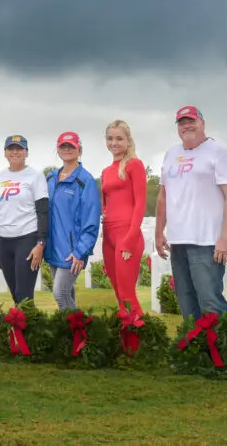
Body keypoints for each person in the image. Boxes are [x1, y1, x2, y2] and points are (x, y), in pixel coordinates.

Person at [155, 106, 227, 320]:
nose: (186, 126)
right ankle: (195, 351)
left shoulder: (219, 152)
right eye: (182, 123)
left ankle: (220, 350)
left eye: (191, 120)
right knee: (186, 302)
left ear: (202, 123)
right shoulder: (171, 153)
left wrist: (226, 237)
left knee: (210, 303)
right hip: (178, 239)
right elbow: (163, 196)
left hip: (207, 241)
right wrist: (159, 232)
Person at [44, 131, 101, 311]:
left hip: (72, 251)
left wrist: (80, 251)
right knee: (67, 295)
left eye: (71, 146)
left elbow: (91, 219)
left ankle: (86, 332)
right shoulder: (50, 178)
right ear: (58, 149)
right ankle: (71, 337)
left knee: (60, 293)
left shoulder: (85, 180)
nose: (67, 149)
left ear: (79, 149)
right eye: (63, 146)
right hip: (53, 248)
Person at [0, 135, 48, 305]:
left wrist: (41, 243)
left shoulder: (35, 176)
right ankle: (22, 329)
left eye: (19, 148)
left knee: (24, 295)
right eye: (11, 148)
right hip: (4, 241)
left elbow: (43, 211)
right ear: (5, 153)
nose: (15, 152)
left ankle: (30, 329)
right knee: (15, 295)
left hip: (27, 238)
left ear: (26, 152)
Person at [100, 120, 147, 315]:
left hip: (127, 235)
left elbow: (140, 204)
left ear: (128, 140)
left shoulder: (134, 165)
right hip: (109, 236)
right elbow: (105, 203)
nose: (114, 143)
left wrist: (129, 240)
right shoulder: (106, 171)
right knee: (120, 296)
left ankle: (141, 341)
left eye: (119, 138)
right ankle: (126, 343)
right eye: (110, 138)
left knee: (128, 295)